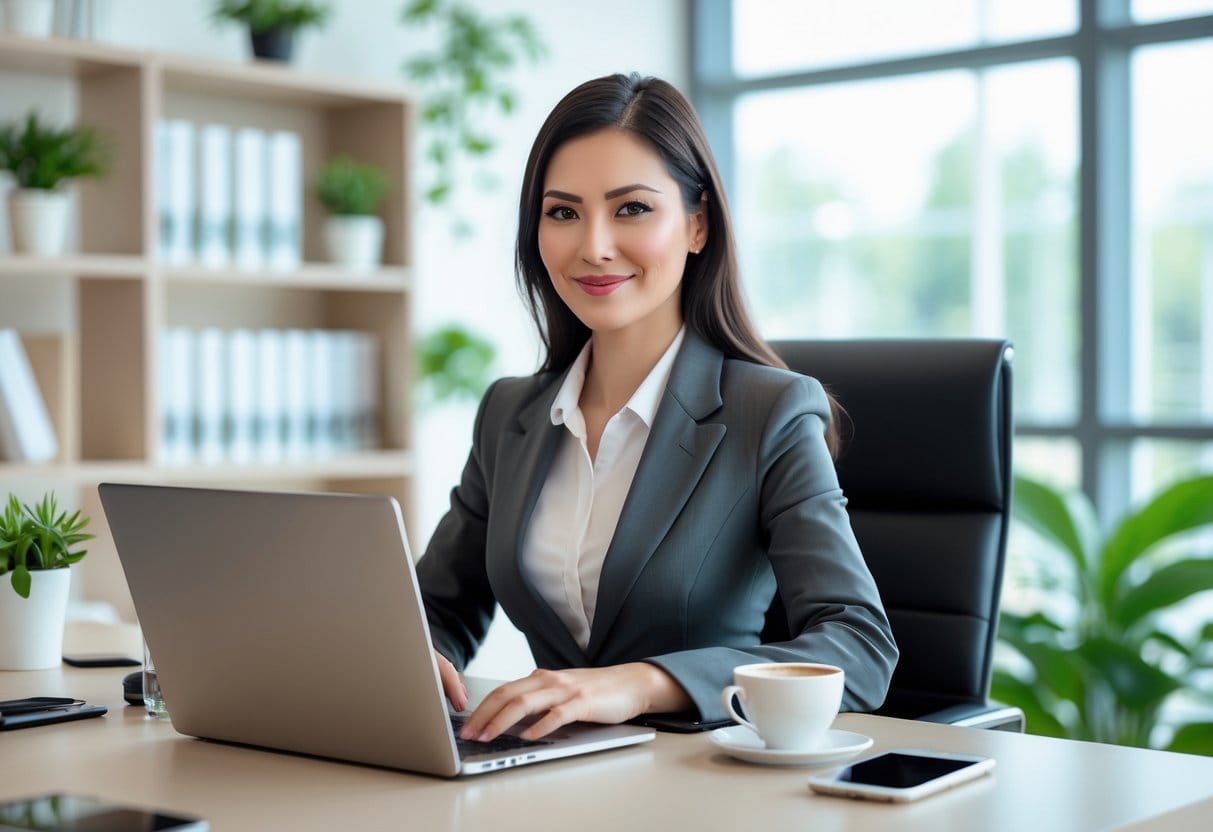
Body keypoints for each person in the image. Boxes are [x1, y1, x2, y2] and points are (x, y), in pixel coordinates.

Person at [416, 72, 898, 744]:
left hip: (702, 782)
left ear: (697, 224)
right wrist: (419, 661)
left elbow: (859, 647)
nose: (593, 245)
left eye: (631, 209)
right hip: (548, 777)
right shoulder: (510, 415)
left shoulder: (771, 413)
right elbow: (437, 607)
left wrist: (639, 682)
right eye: (562, 212)